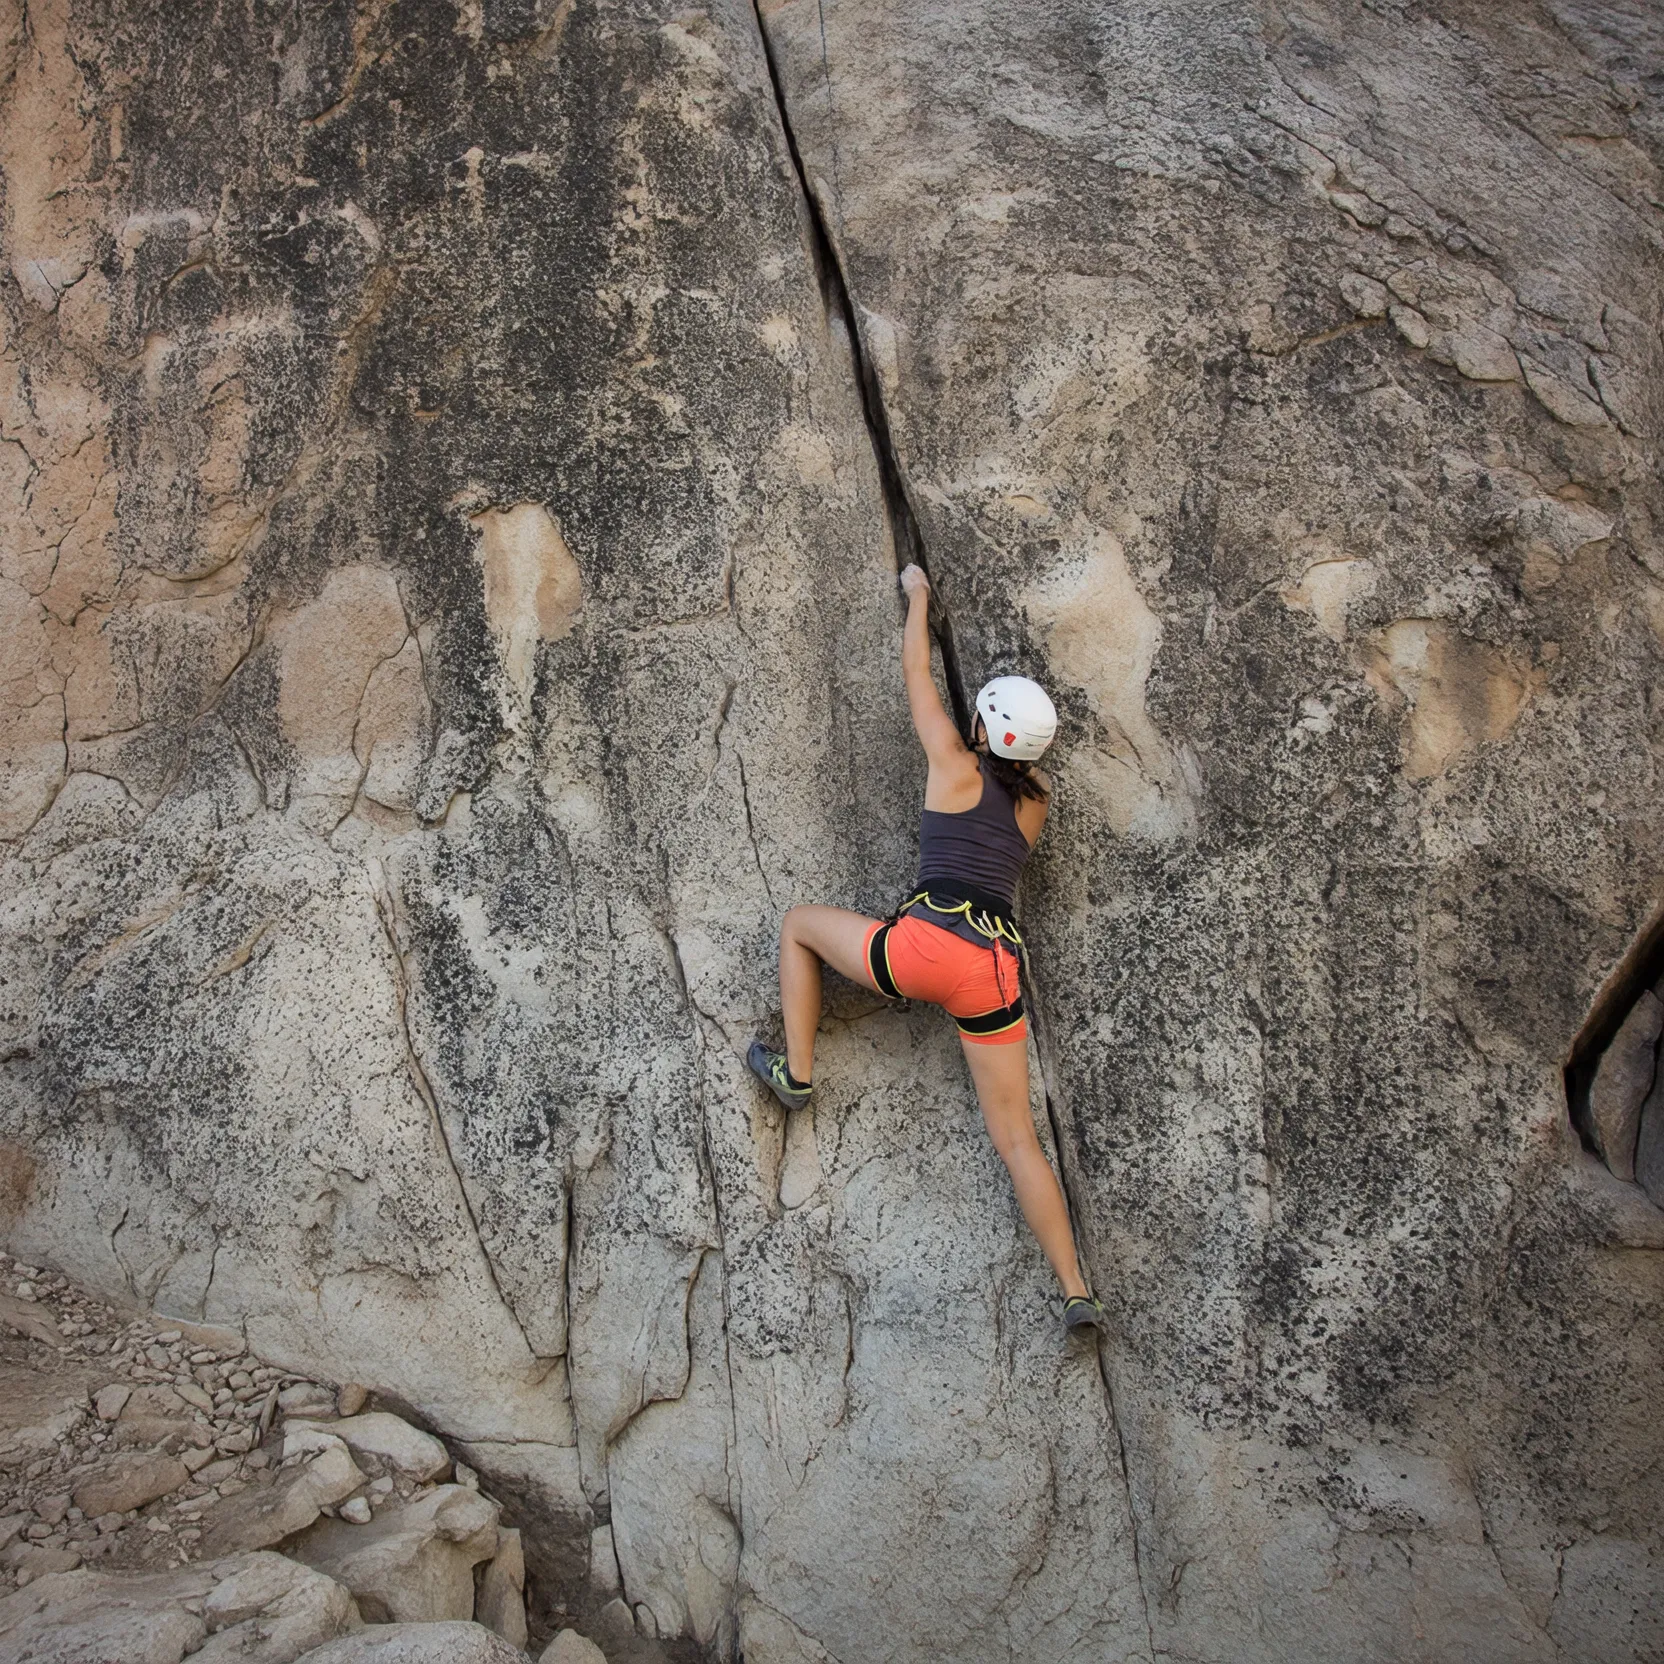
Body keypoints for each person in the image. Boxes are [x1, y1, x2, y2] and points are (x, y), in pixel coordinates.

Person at [747, 562, 1105, 1335]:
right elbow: (1015, 766)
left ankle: (798, 1074)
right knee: (1017, 1138)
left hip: (922, 948)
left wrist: (918, 595)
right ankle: (1076, 1288)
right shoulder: (1038, 801)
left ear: (983, 730)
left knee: (798, 925)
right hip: (994, 973)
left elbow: (916, 670)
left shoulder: (952, 760)